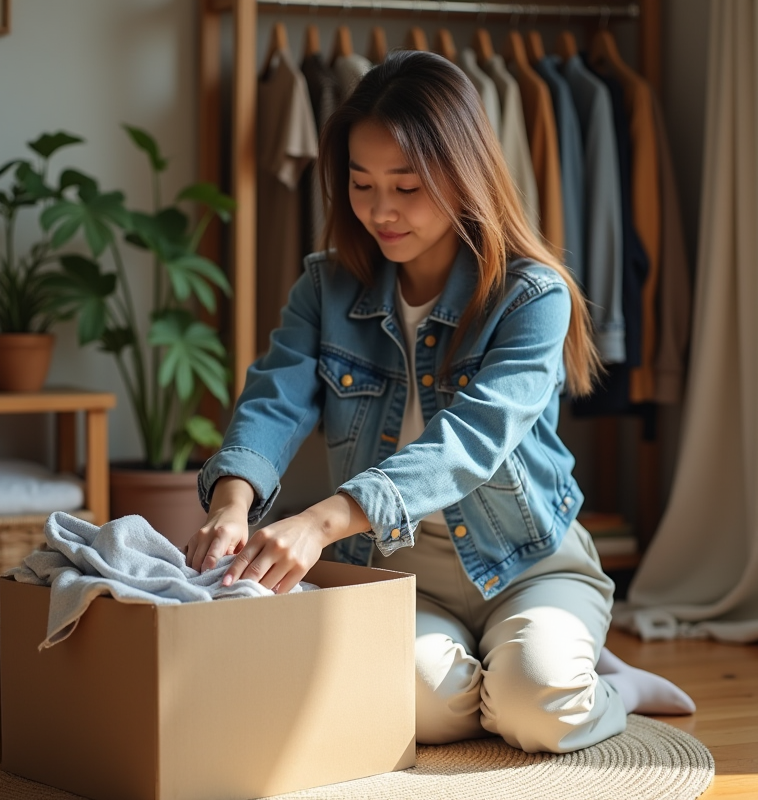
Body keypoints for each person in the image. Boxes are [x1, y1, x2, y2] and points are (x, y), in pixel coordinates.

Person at [185, 50, 693, 754]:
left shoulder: (531, 296)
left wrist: (320, 521)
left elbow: (472, 441)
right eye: (362, 185)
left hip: (524, 560)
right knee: (428, 713)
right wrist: (232, 502)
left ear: (464, 177)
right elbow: (275, 397)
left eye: (407, 186)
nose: (380, 210)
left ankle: (612, 682)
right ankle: (532, 662)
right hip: (398, 573)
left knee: (535, 711)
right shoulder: (324, 289)